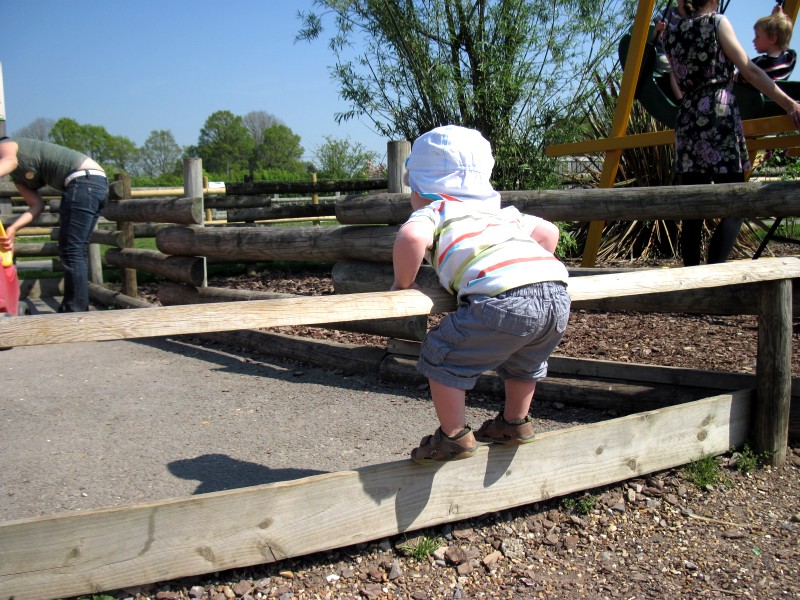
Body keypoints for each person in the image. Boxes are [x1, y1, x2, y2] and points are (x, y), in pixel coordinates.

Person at [391, 125, 571, 464]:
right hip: (558, 295)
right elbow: (549, 233)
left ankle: (453, 437)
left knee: (440, 354)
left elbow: (411, 239)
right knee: (525, 360)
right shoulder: (503, 214)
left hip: (504, 299)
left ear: (421, 189)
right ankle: (514, 423)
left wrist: (403, 285)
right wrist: (527, 269)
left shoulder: (436, 211)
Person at [663, 0, 800, 266]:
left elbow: (677, 80)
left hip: (688, 118)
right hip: (718, 115)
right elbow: (749, 69)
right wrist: (789, 104)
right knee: (737, 202)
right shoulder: (717, 23)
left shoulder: (672, 33)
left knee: (693, 206)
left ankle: (691, 277)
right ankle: (715, 274)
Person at [0, 137, 108, 312]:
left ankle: (75, 311)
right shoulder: (18, 178)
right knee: (74, 249)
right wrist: (13, 228)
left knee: (72, 249)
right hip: (93, 184)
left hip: (84, 181)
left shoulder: (6, 144)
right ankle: (75, 309)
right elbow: (36, 205)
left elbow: (10, 161)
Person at [735, 4, 796, 86]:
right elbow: (784, 44)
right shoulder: (790, 58)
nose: (753, 40)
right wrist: (777, 18)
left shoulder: (759, 65)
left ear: (772, 39)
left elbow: (737, 78)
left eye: (757, 36)